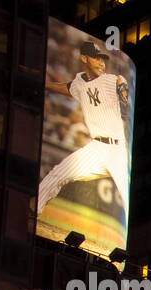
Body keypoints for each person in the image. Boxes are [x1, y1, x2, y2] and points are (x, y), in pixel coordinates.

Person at [38, 39, 131, 218]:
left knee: (128, 200)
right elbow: (67, 87)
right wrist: (45, 84)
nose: (101, 63)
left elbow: (124, 98)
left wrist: (123, 94)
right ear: (84, 58)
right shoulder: (79, 82)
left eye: (103, 59)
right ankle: (33, 210)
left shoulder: (114, 80)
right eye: (96, 58)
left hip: (117, 151)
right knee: (58, 173)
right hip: (96, 149)